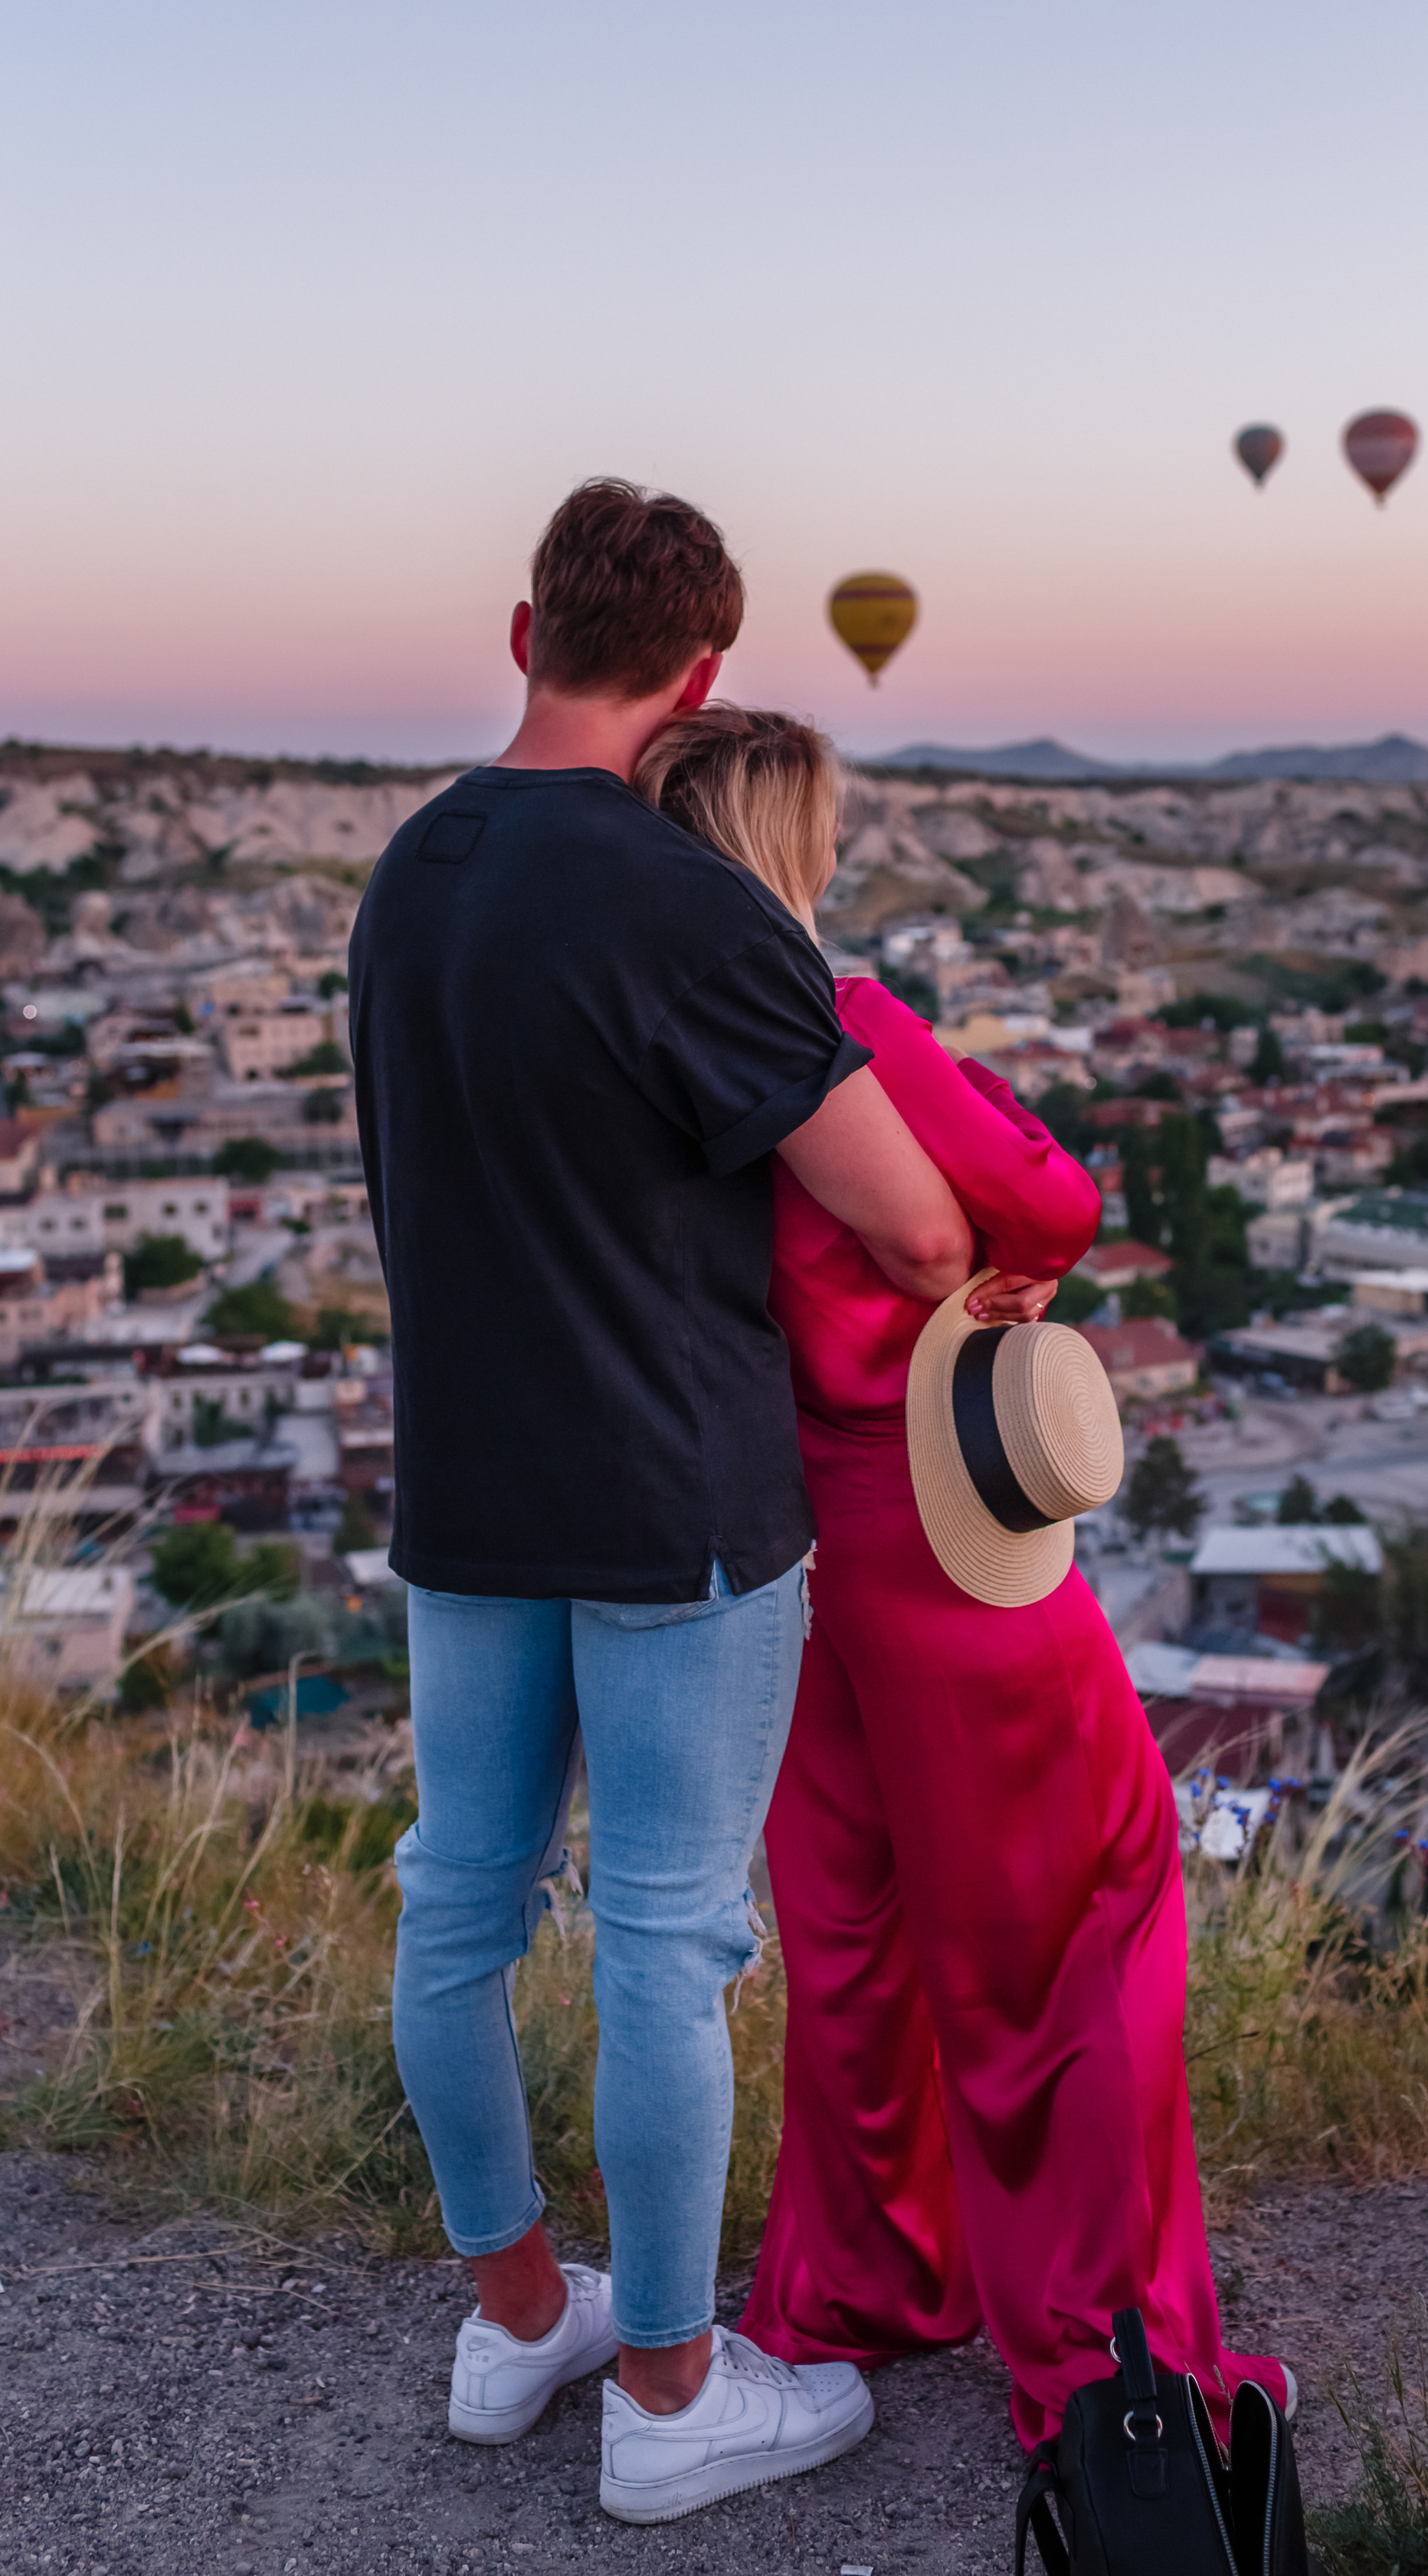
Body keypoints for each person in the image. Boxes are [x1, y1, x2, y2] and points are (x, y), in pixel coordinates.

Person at [349, 481, 1015, 2524]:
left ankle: (518, 2313)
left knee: (458, 1903)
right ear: (705, 673)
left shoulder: (411, 871)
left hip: (469, 1483)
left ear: (523, 624)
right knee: (660, 1940)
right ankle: (665, 2393)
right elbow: (911, 1225)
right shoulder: (686, 904)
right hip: (673, 1496)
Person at [634, 703, 1295, 2455]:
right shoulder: (827, 1020)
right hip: (932, 1522)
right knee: (1085, 1908)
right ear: (790, 845)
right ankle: (1110, 2361)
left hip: (778, 1544)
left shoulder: (632, 1041)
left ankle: (869, 2283)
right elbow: (1051, 1203)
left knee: (851, 1930)